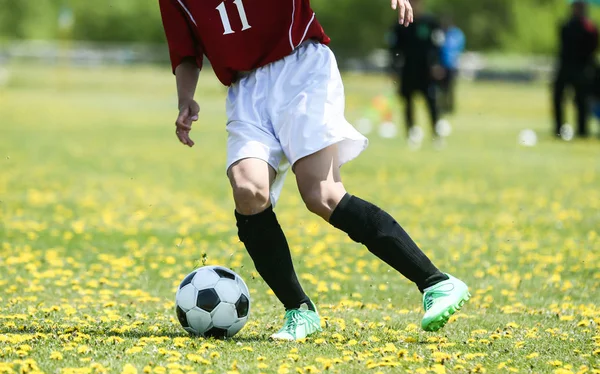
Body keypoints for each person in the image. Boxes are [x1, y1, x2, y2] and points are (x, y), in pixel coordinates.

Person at [159, 0, 470, 341]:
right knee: (248, 190)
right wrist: (184, 98)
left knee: (322, 195)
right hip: (245, 89)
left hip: (301, 68)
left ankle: (437, 283)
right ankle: (300, 311)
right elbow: (186, 50)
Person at [388, 0, 445, 139]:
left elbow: (438, 45)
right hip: (408, 68)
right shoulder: (400, 23)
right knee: (407, 100)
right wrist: (394, 69)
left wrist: (437, 64)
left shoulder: (430, 22)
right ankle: (411, 131)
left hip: (427, 69)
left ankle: (436, 131)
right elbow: (394, 49)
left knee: (431, 100)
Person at [553, 0, 598, 138]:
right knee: (558, 97)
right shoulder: (566, 26)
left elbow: (593, 48)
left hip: (582, 68)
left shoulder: (590, 28)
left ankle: (582, 130)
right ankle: (559, 129)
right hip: (566, 66)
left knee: (581, 100)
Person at [439, 15, 465, 115]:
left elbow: (459, 48)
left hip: (452, 65)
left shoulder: (456, 34)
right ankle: (442, 106)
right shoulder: (441, 33)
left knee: (450, 88)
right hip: (442, 65)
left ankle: (450, 107)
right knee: (441, 88)